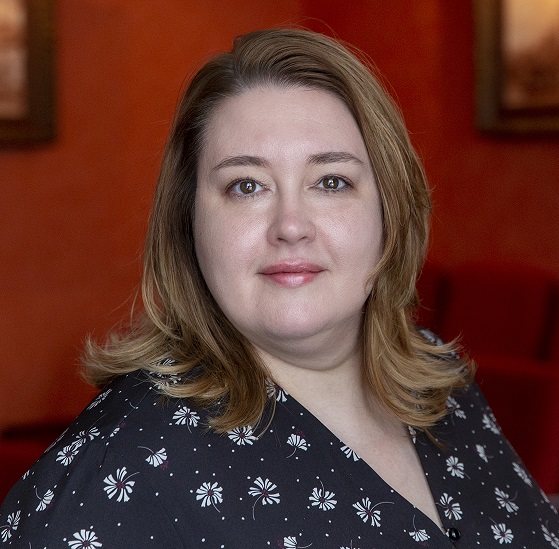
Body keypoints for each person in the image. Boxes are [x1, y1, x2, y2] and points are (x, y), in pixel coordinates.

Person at [1, 28, 558, 548]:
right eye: (246, 186)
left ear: (391, 209)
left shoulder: (443, 385)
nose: (291, 225)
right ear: (187, 222)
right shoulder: (116, 473)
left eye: (331, 181)